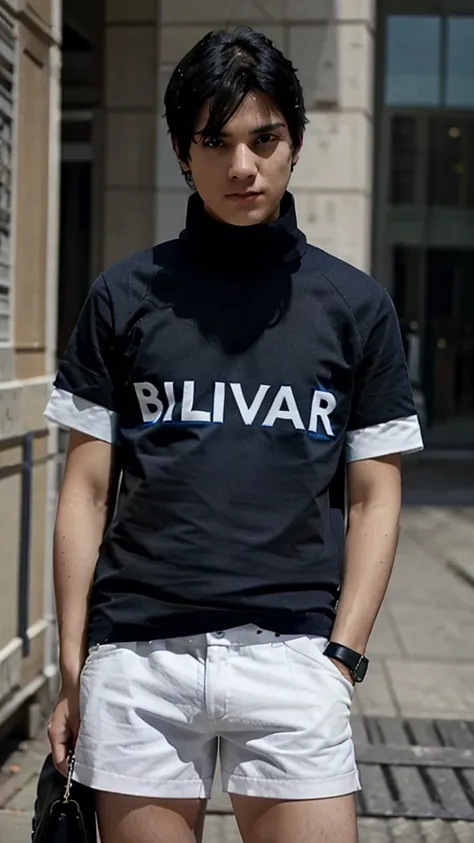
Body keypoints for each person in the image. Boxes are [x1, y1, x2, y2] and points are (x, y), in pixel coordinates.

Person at [44, 26, 424, 843]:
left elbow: (375, 495)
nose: (241, 166)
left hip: (293, 658)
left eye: (264, 138)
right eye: (215, 141)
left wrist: (343, 661)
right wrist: (77, 666)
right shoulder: (123, 297)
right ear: (184, 151)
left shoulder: (356, 307)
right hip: (141, 662)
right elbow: (84, 488)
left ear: (294, 141)